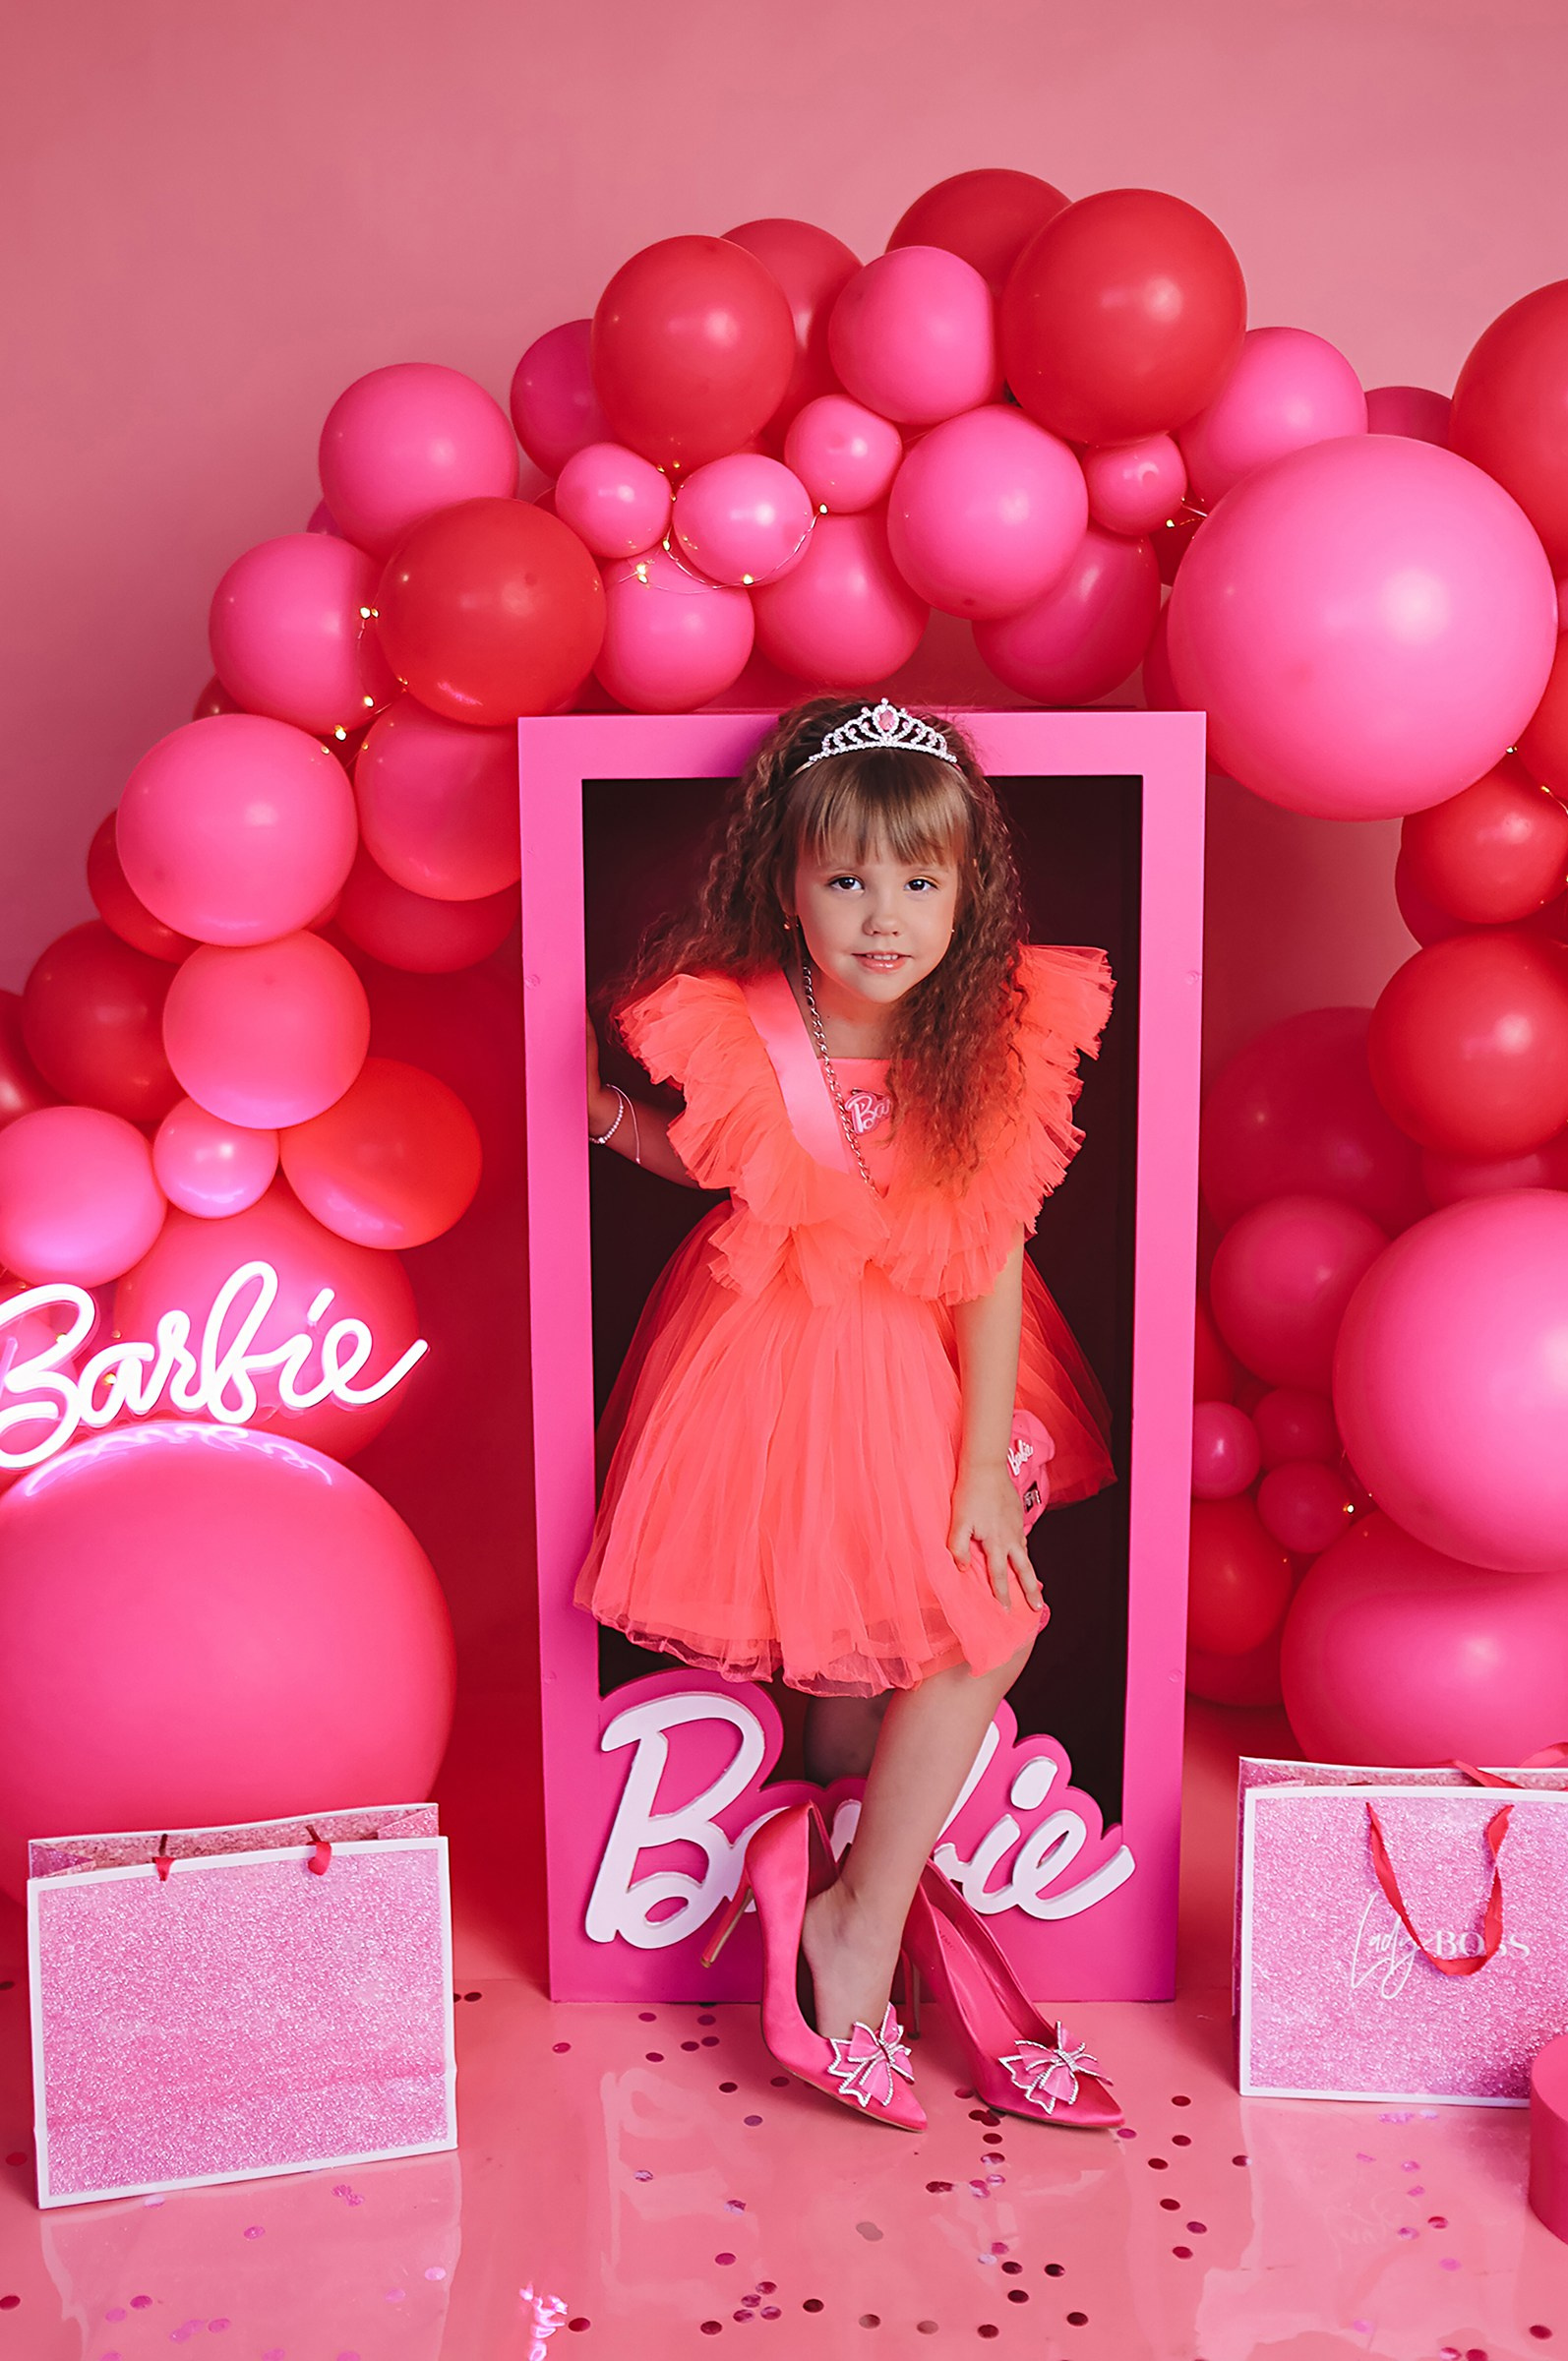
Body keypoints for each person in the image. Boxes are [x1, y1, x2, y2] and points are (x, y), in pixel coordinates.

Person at [579, 695, 1121, 2133]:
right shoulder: (749, 1017)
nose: (885, 918)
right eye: (846, 879)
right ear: (787, 885)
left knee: (979, 1620)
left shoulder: (988, 1032)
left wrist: (981, 1467)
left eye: (921, 882)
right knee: (838, 1647)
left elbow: (991, 1261)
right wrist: (604, 1120)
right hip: (775, 1340)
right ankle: (837, 1898)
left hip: (925, 1350)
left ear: (968, 891)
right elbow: (722, 1158)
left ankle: (852, 1921)